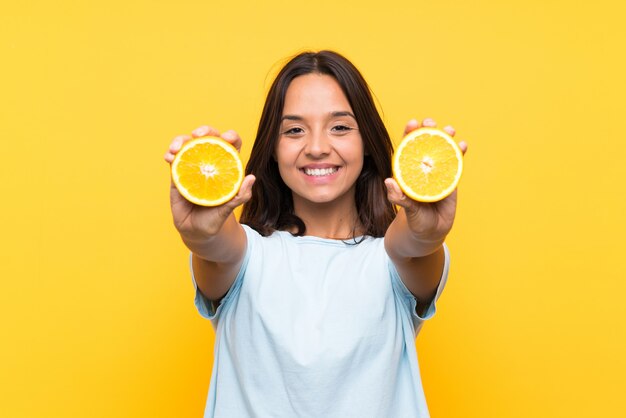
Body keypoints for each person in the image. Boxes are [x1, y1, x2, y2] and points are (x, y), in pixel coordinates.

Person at [164, 50, 467, 418]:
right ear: (273, 149)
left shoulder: (390, 261)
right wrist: (200, 231)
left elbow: (414, 245)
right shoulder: (247, 257)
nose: (318, 147)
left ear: (366, 143)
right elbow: (214, 245)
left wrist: (427, 229)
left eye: (340, 127)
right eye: (294, 130)